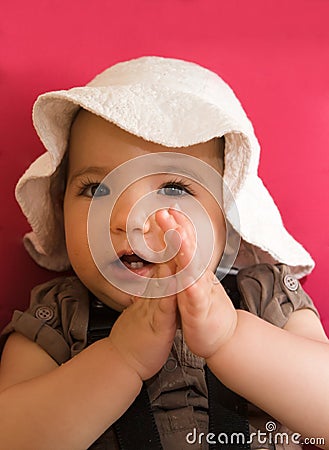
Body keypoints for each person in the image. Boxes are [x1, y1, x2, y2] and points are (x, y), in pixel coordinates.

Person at [0, 56, 328, 450]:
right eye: (95, 189)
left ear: (229, 211)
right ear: (60, 206)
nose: (130, 220)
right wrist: (122, 358)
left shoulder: (266, 296)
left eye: (173, 189)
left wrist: (229, 337)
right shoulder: (56, 318)